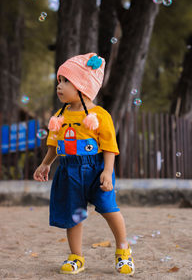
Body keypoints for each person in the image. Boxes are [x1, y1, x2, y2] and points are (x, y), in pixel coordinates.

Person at [33, 53, 135, 276]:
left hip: (95, 169)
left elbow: (109, 146)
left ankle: (123, 251)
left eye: (66, 81)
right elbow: (54, 144)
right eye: (59, 81)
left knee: (109, 209)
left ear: (83, 85)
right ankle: (76, 256)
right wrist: (45, 164)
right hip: (68, 171)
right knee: (73, 214)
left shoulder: (100, 115)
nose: (59, 86)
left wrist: (107, 171)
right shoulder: (59, 115)